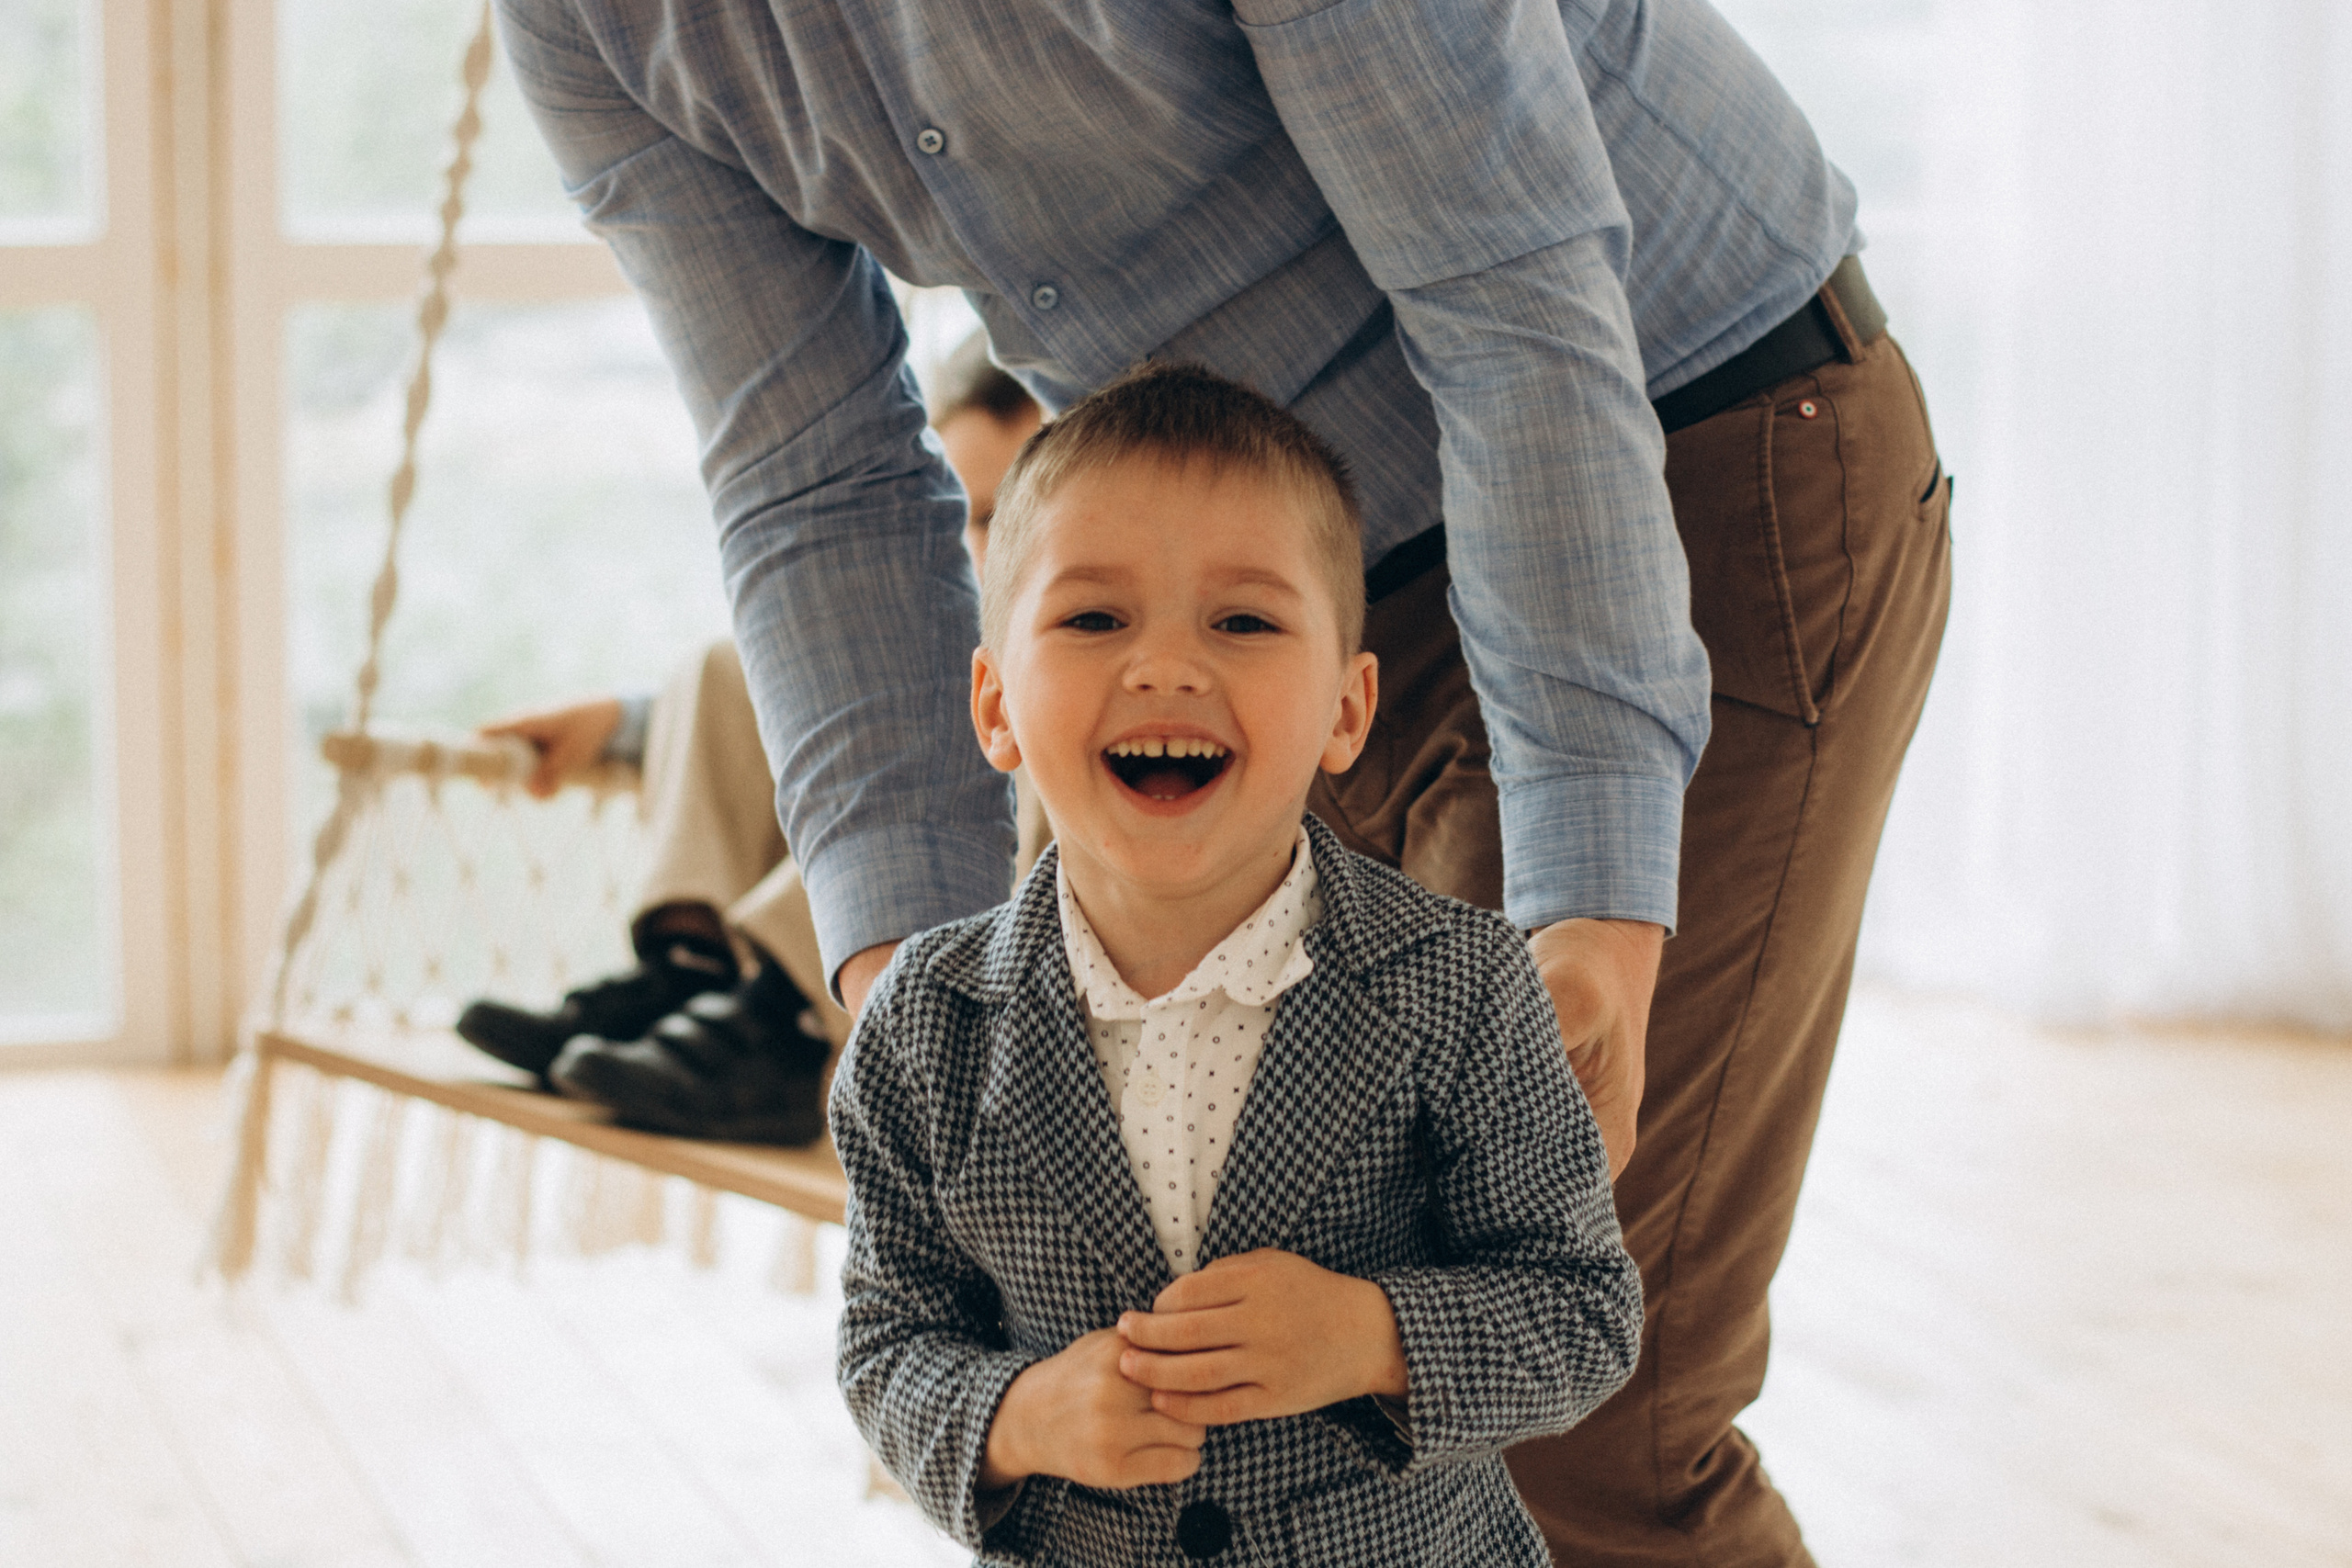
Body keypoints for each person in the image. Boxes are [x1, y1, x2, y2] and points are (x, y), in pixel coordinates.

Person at [499, 0, 1952, 1557]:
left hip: (1671, 444)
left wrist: (1593, 883)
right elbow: (812, 474)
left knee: (1571, 1423)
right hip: (1264, 603)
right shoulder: (588, 23)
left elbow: (1507, 287)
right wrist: (905, 982)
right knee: (1254, 1380)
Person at [834, 362, 1642, 1563]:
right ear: (997, 702)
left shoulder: (1465, 985)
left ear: (1346, 709)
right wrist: (1016, 1418)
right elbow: (888, 1341)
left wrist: (1373, 1332)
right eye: (1096, 617)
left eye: (1245, 621)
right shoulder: (922, 1023)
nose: (1167, 666)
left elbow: (1584, 1308)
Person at [452, 346, 1045, 1139]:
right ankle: (686, 977)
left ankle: (779, 1024)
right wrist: (628, 723)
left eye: (1008, 520)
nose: (981, 549)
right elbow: (823, 722)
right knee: (724, 667)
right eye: (961, 517)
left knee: (974, 725)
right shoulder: (943, 623)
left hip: (1005, 961)